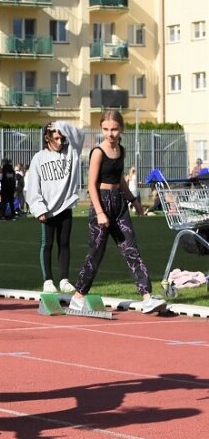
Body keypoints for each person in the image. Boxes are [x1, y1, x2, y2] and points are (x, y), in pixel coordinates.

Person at [70, 110, 166, 314]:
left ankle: (147, 296)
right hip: (102, 204)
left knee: (131, 249)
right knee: (96, 253)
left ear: (121, 129)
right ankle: (78, 296)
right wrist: (99, 212)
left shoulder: (121, 150)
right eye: (105, 129)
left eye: (114, 129)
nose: (110, 133)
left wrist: (134, 201)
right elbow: (91, 185)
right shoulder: (98, 152)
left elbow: (120, 179)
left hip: (119, 205)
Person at [25, 121, 85, 294]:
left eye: (62, 138)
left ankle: (64, 279)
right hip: (47, 210)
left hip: (65, 206)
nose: (60, 142)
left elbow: (80, 135)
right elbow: (33, 186)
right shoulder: (38, 158)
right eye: (56, 138)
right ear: (47, 138)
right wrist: (38, 208)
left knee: (64, 243)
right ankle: (48, 280)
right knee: (47, 244)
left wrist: (61, 124)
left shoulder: (71, 152)